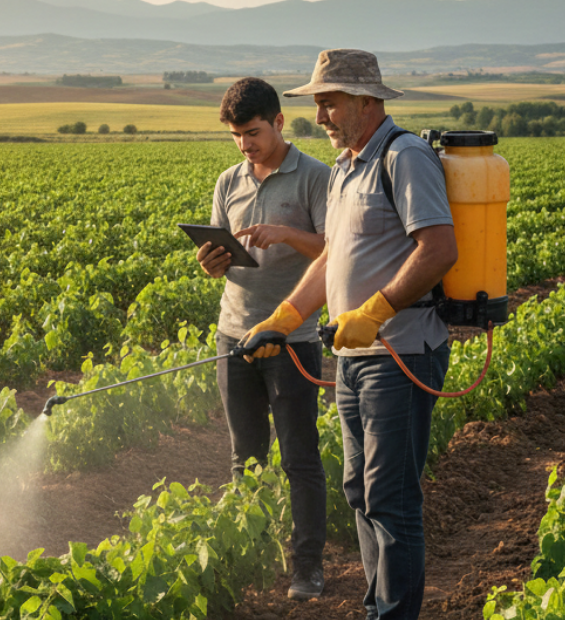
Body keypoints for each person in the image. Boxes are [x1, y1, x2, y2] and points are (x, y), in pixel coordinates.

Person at [242, 49, 458, 620]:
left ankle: (394, 615)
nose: (320, 114)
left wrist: (377, 310)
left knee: (391, 499)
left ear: (367, 102)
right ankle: (376, 607)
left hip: (400, 351)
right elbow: (334, 256)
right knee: (360, 492)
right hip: (354, 357)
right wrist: (284, 319)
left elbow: (438, 249)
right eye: (316, 103)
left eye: (330, 102)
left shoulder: (403, 155)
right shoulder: (344, 166)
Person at [195, 76, 330, 600]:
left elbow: (334, 249)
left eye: (252, 132)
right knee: (244, 457)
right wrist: (211, 261)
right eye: (236, 136)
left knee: (300, 458)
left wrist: (286, 234)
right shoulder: (228, 181)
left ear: (278, 122)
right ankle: (246, 558)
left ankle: (307, 569)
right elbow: (218, 255)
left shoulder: (315, 177)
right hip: (233, 334)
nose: (245, 145)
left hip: (292, 338)